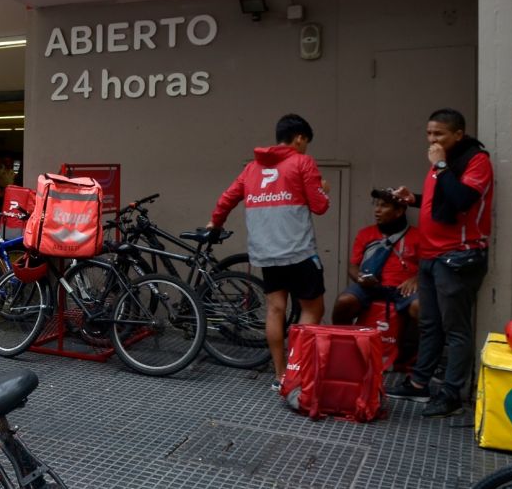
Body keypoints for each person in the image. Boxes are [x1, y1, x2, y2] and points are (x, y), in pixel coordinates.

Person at [206, 113, 330, 390]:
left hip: (266, 253)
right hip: (299, 252)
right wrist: (324, 189)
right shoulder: (302, 162)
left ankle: (280, 375)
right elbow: (320, 206)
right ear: (299, 138)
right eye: (306, 142)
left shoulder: (252, 169)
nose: (306, 148)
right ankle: (300, 372)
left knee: (276, 309)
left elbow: (227, 198)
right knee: (313, 309)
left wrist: (215, 222)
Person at [386, 108, 493, 418]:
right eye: (429, 134)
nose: (432, 140)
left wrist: (440, 165)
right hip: (431, 255)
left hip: (457, 256)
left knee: (456, 328)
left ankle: (452, 394)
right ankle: (420, 384)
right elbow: (442, 200)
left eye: (439, 134)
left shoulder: (475, 160)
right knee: (430, 323)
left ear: (457, 135)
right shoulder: (442, 165)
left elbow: (462, 200)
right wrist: (414, 199)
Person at [332, 189, 421, 365]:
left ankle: (409, 356)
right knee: (344, 301)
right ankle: (343, 350)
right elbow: (353, 265)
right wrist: (359, 278)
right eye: (376, 205)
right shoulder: (366, 234)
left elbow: (429, 266)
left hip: (402, 289)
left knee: (421, 307)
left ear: (399, 211)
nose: (377, 210)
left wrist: (416, 279)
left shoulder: (417, 236)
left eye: (384, 206)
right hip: (370, 286)